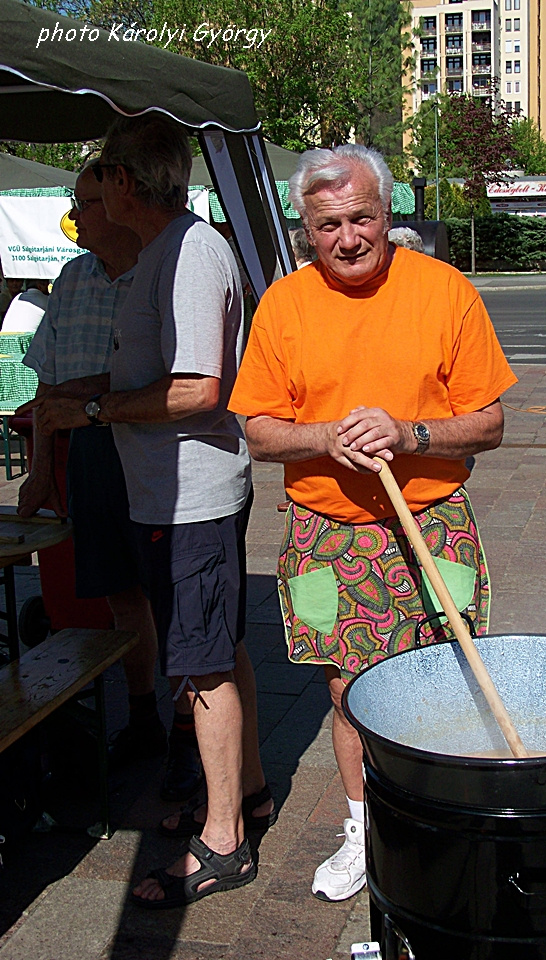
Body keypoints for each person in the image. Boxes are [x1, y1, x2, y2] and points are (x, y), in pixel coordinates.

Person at [228, 144, 517, 902]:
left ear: (388, 213)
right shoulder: (285, 306)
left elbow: (488, 422)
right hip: (328, 532)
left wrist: (411, 434)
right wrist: (323, 437)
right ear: (305, 228)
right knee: (349, 692)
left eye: (363, 218)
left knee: (448, 677)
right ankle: (364, 832)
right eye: (329, 225)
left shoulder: (444, 290)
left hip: (433, 518)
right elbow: (258, 431)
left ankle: (442, 825)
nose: (349, 239)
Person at [26, 114, 274, 908]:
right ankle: (247, 794)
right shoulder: (170, 252)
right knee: (218, 648)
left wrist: (98, 412)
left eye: (95, 185)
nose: (87, 202)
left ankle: (225, 842)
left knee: (201, 664)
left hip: (192, 495)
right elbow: (160, 370)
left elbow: (199, 387)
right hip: (172, 491)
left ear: (126, 184)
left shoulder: (190, 254)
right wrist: (86, 391)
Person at [17, 165, 171, 779]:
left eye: (86, 202)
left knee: (170, 592)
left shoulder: (157, 271)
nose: (75, 215)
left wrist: (89, 395)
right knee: (117, 590)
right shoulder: (71, 278)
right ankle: (142, 717)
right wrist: (40, 471)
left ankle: (187, 723)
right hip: (88, 454)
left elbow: (175, 381)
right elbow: (47, 388)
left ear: (120, 203)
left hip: (156, 453)